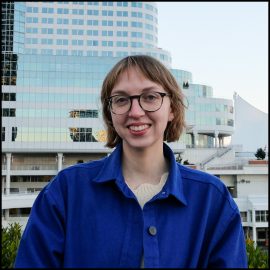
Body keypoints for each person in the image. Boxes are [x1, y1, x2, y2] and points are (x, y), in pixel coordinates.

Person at [14, 55, 248, 268]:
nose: (135, 111)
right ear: (110, 112)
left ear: (172, 109)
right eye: (121, 100)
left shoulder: (212, 199)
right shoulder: (66, 191)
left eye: (150, 97)